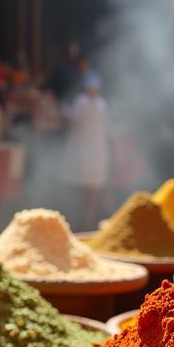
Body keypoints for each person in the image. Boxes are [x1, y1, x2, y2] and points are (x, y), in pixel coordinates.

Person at [62, 71, 109, 230]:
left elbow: (76, 120)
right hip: (93, 151)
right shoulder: (100, 103)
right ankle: (86, 222)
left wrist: (63, 111)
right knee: (88, 189)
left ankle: (83, 223)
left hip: (86, 151)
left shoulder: (83, 102)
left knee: (85, 189)